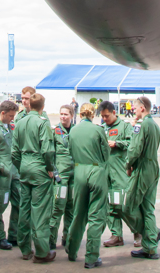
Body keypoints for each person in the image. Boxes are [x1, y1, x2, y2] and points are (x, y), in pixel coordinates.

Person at [11, 93, 56, 262]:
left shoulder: (20, 122)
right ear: (42, 107)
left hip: (24, 166)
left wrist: (21, 167)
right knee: (40, 210)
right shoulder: (42, 123)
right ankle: (42, 251)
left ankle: (24, 248)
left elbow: (14, 152)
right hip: (39, 167)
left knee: (25, 208)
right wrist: (50, 168)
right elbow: (47, 150)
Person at [65, 103, 109, 268]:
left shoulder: (73, 130)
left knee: (78, 214)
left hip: (79, 171)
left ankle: (72, 250)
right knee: (96, 216)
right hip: (96, 170)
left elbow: (70, 151)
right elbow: (106, 153)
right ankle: (91, 256)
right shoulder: (98, 130)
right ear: (92, 114)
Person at [123, 96, 160, 260]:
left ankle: (150, 234)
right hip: (153, 166)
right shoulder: (154, 125)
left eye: (135, 107)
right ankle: (151, 247)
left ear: (142, 108)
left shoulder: (141, 125)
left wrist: (128, 164)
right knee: (147, 208)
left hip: (143, 168)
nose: (133, 110)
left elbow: (135, 149)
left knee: (128, 207)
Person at [98, 101, 132, 248]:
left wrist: (117, 143)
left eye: (107, 116)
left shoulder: (125, 126)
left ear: (113, 112)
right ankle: (116, 235)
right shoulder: (102, 128)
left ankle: (138, 231)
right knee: (110, 204)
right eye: (102, 117)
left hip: (119, 171)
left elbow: (132, 144)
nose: (105, 119)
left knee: (124, 204)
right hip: (106, 173)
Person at [0, 100, 19, 250]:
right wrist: (0, 166)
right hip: (1, 173)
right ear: (2, 113)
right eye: (10, 115)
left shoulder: (11, 127)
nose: (12, 118)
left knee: (19, 202)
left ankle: (14, 234)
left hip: (14, 171)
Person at [49, 105, 75, 251]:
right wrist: (53, 171)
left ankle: (68, 238)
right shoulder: (54, 132)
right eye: (61, 114)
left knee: (71, 208)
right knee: (58, 207)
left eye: (66, 114)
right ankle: (51, 240)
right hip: (61, 177)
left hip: (75, 176)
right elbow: (49, 152)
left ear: (71, 115)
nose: (63, 116)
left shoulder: (77, 131)